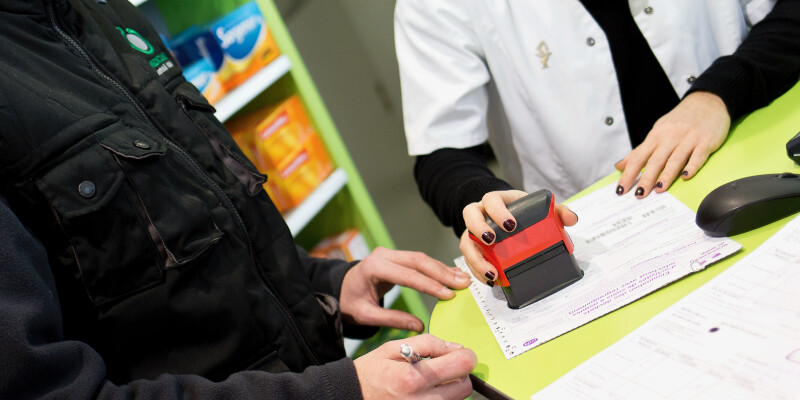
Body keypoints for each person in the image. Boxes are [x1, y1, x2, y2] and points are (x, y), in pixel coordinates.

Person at [0, 0, 477, 398]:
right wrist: (337, 391)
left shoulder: (104, 14)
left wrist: (330, 286)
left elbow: (200, 248)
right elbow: (47, 390)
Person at [394, 0, 800, 283]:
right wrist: (486, 201)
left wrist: (719, 93)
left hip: (761, 165)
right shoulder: (433, 5)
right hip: (605, 245)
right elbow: (442, 153)